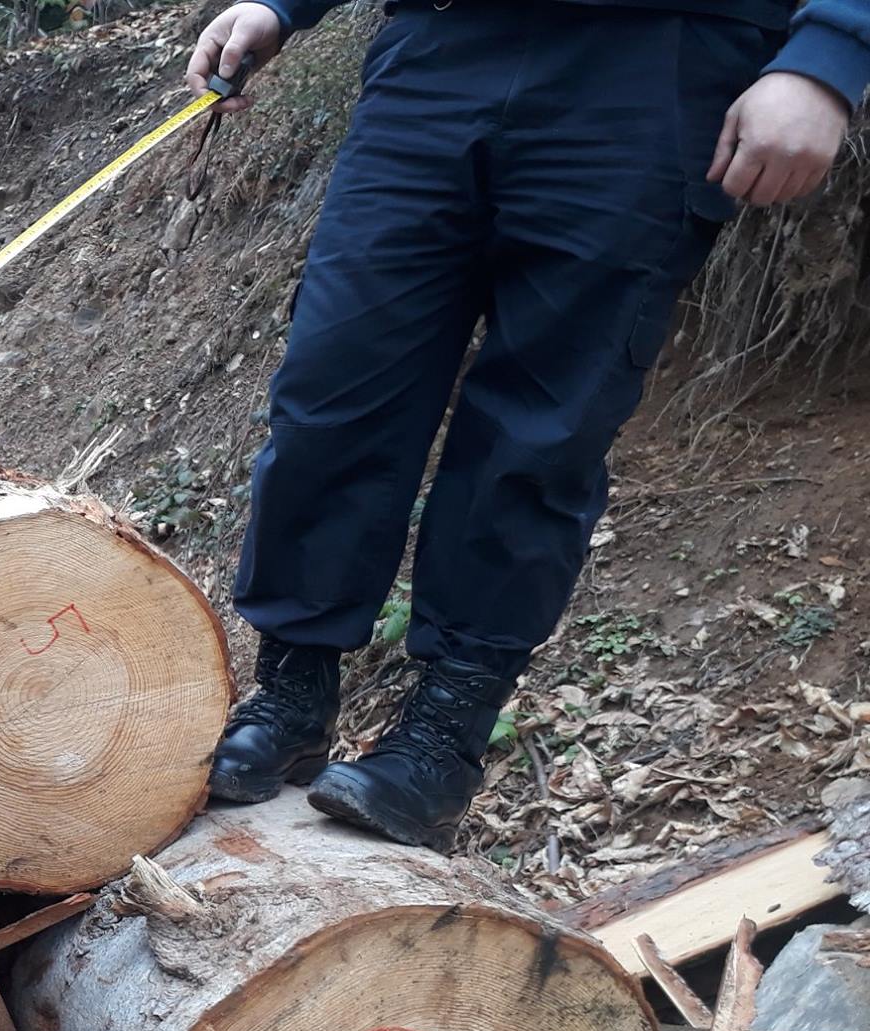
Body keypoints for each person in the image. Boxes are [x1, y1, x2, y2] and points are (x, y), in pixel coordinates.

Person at [191, 0, 869, 850]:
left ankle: (442, 740)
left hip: (659, 61)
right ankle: (291, 693)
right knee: (334, 385)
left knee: (542, 430)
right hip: (438, 47)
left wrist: (829, 54)